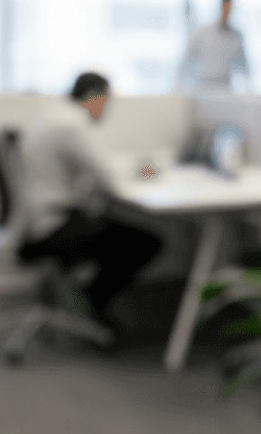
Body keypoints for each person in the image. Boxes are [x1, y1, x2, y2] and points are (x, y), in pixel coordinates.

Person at [16, 72, 162, 332]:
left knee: (112, 224)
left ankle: (87, 292)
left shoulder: (54, 115)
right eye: (106, 101)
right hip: (54, 224)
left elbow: (98, 168)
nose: (106, 109)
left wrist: (132, 169)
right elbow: (110, 179)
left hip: (38, 218)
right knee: (146, 243)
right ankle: (96, 295)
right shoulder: (72, 124)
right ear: (95, 97)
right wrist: (146, 171)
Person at [178, 0, 249, 91]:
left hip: (226, 87)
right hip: (203, 86)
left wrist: (248, 87)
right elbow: (186, 62)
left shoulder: (236, 36)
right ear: (219, 8)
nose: (227, 13)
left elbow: (244, 66)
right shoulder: (201, 33)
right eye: (225, 8)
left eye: (229, 9)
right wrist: (181, 85)